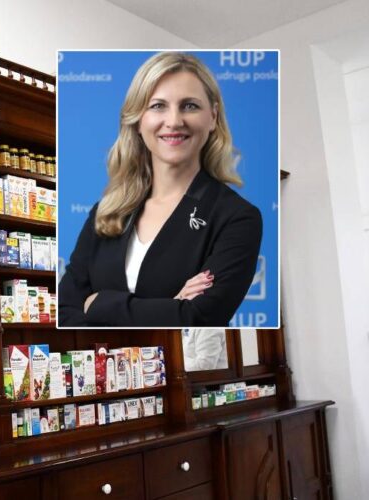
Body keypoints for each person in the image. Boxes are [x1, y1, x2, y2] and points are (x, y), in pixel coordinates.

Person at [58, 52, 262, 327]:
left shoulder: (236, 217)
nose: (174, 121)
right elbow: (64, 312)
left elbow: (198, 317)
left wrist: (99, 303)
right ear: (137, 120)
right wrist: (170, 307)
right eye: (157, 106)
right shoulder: (105, 213)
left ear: (212, 117)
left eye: (190, 106)